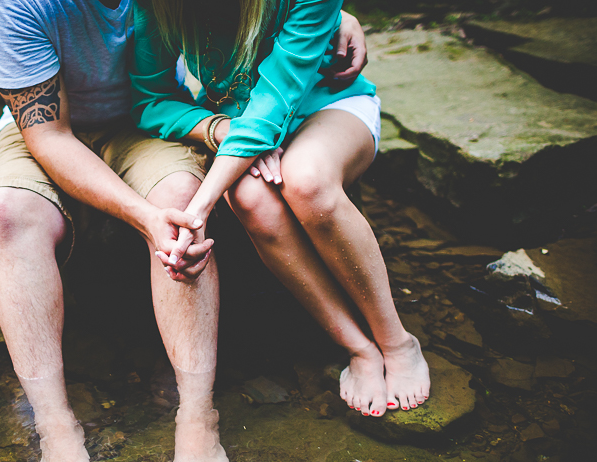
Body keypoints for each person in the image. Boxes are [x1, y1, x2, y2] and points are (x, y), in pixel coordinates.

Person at [0, 0, 370, 462]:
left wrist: (335, 16)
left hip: (151, 121)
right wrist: (141, 216)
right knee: (8, 211)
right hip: (47, 133)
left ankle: (198, 415)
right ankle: (55, 428)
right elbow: (49, 136)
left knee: (180, 199)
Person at [131, 0, 430, 421]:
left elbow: (277, 97)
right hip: (239, 123)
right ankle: (358, 347)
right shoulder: (157, 6)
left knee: (307, 181)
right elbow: (150, 100)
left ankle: (398, 342)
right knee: (250, 199)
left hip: (326, 106)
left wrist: (199, 209)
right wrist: (223, 130)